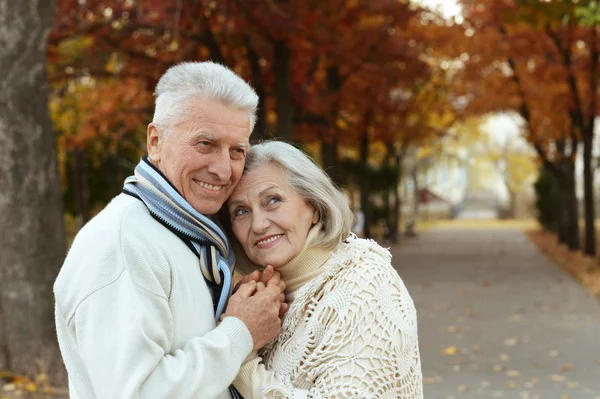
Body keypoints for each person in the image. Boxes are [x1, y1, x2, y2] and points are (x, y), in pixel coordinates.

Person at [53, 61, 286, 399]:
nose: (223, 170)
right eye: (205, 144)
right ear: (155, 141)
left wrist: (234, 307)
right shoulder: (123, 241)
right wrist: (241, 332)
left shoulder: (185, 235)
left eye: (237, 151)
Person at [224, 141, 423, 398]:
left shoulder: (365, 285)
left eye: (272, 200)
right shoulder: (258, 297)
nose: (259, 224)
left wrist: (240, 354)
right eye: (241, 211)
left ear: (314, 208)